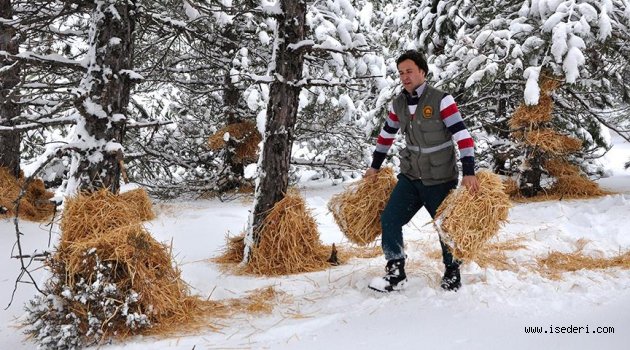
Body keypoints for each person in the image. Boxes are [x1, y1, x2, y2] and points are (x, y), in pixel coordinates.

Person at [366, 50, 479, 293]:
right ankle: (395, 271)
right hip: (410, 176)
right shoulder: (398, 104)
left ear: (422, 72)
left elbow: (462, 136)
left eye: (409, 71)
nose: (405, 77)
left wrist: (469, 171)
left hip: (440, 177)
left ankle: (452, 270)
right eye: (401, 73)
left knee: (445, 226)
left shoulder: (441, 100)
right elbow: (386, 136)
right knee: (390, 219)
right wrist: (374, 167)